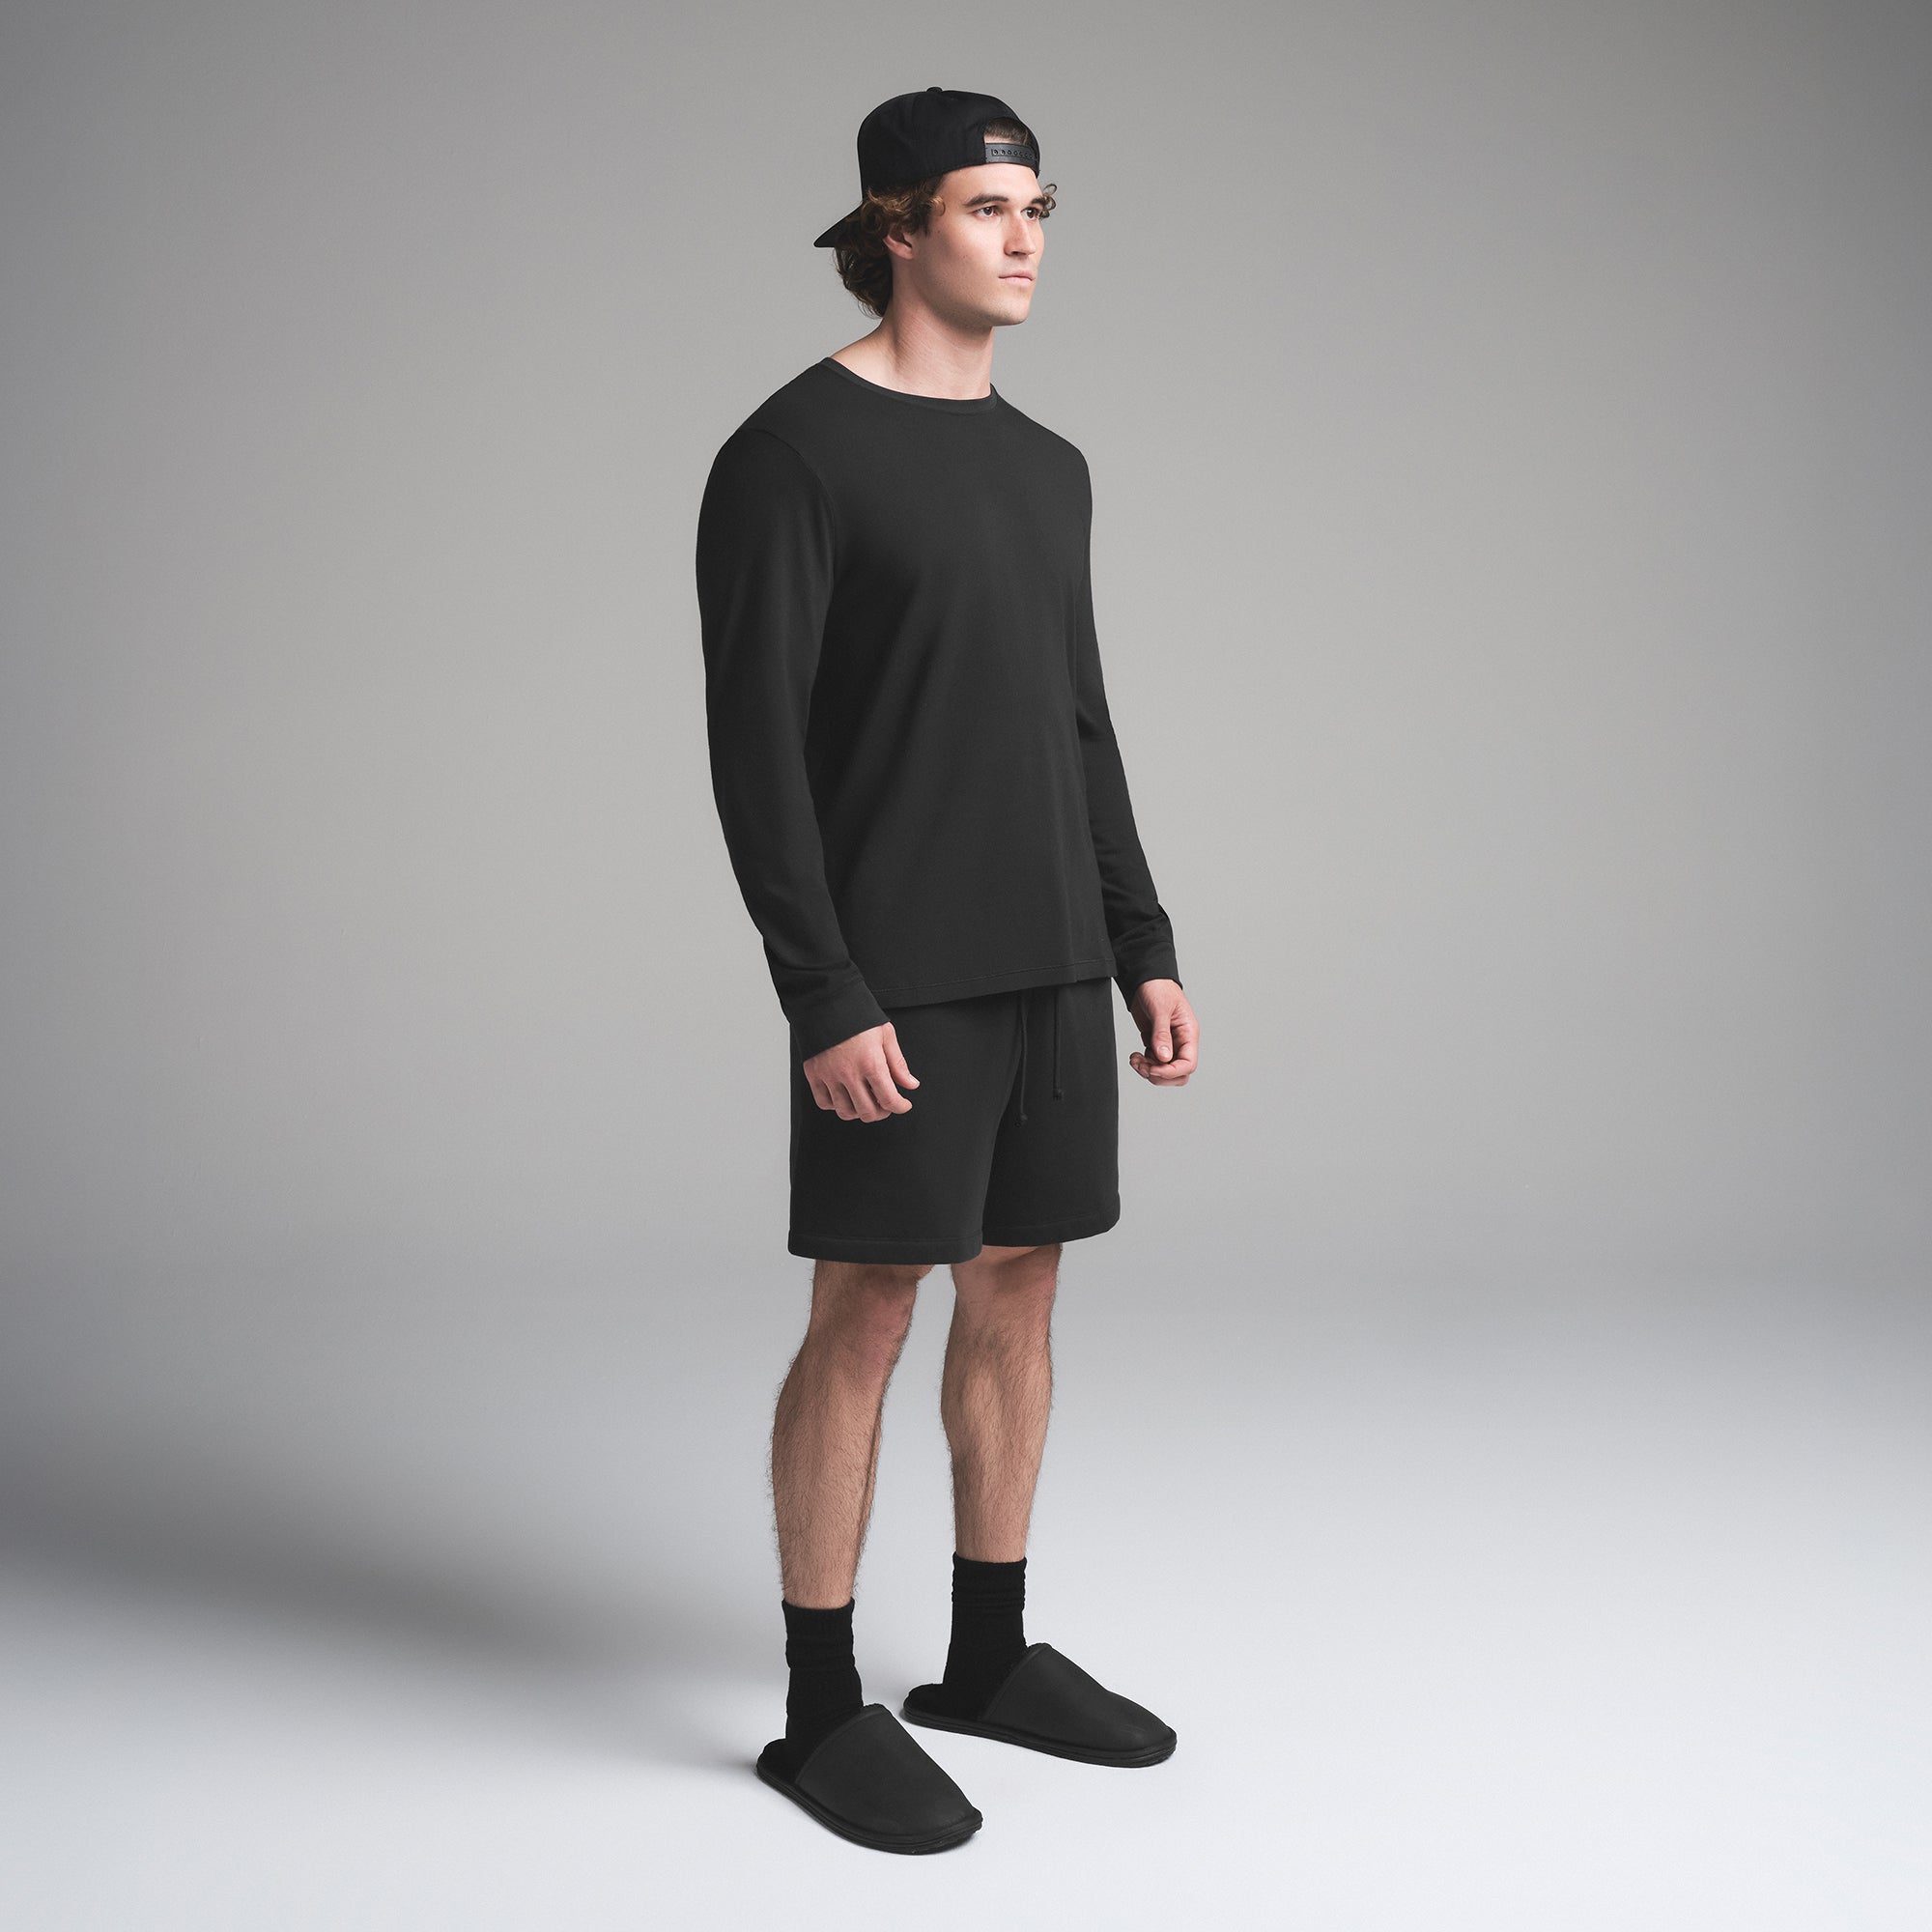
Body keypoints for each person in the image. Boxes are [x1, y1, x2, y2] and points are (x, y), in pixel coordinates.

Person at [695, 86, 1199, 1854]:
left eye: (1039, 209)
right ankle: (819, 1708)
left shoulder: (1050, 467)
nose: (1025, 239)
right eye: (989, 209)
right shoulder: (791, 454)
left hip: (1052, 960)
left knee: (1021, 1294)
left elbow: (1080, 722)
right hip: (895, 976)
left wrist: (1140, 944)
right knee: (868, 1313)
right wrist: (821, 990)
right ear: (897, 229)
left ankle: (986, 1659)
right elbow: (754, 752)